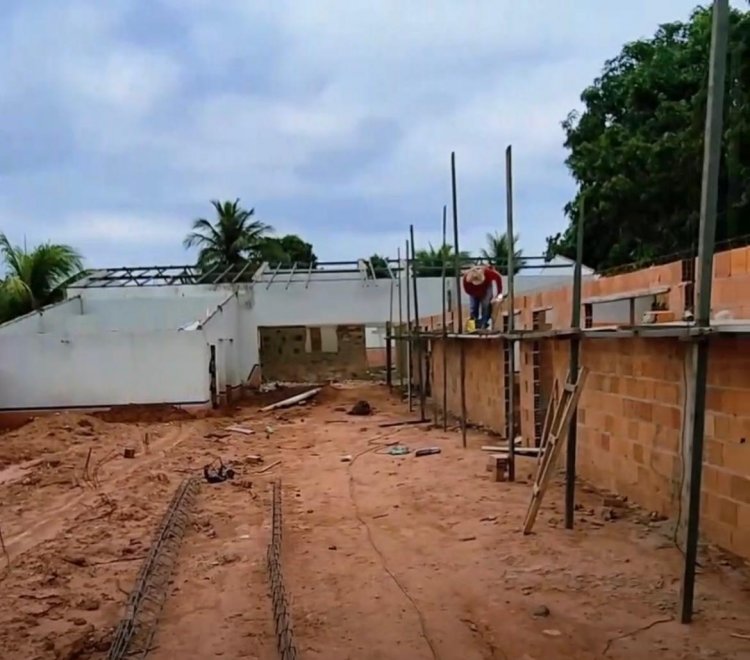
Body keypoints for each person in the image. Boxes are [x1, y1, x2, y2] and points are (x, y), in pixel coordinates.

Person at [462, 265, 503, 330]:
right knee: (473, 307)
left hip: (486, 289)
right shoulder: (466, 280)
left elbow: (498, 278)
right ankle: (472, 328)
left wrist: (499, 294)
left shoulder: (488, 273)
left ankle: (484, 325)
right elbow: (468, 291)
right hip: (473, 292)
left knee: (486, 306)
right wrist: (476, 295)